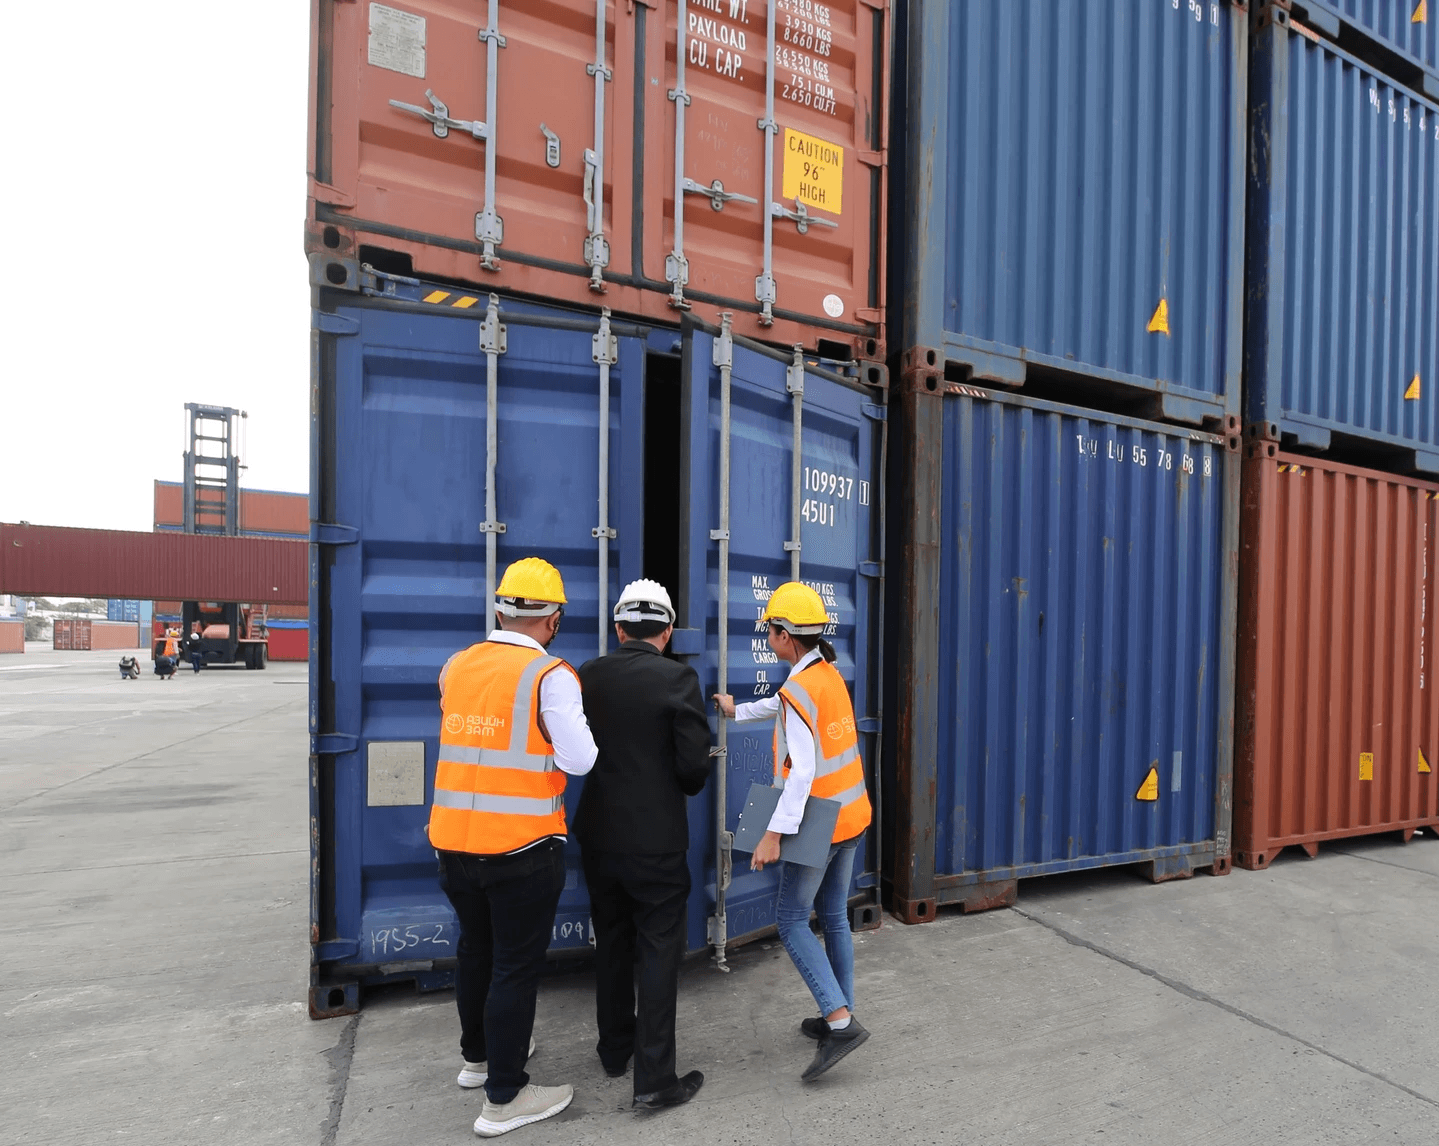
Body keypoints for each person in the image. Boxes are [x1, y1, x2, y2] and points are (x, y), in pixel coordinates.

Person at [429, 557, 598, 1138]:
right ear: (553, 620)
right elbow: (580, 760)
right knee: (514, 966)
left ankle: (478, 1060)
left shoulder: (457, 666)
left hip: (454, 844)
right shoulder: (550, 676)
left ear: (500, 609)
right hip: (522, 848)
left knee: (475, 949)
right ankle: (505, 1097)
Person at [713, 582, 873, 1082]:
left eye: (771, 631)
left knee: (790, 920)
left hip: (818, 824)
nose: (768, 638)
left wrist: (772, 835)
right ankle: (839, 1008)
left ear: (784, 637)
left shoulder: (800, 691)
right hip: (851, 816)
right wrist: (738, 709)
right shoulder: (826, 676)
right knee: (835, 918)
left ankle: (840, 1022)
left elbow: (801, 771)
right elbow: (786, 708)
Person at [574, 580, 710, 1111]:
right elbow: (694, 768)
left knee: (610, 938)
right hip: (656, 841)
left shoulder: (589, 675)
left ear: (619, 627)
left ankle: (614, 1050)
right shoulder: (679, 678)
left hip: (598, 836)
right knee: (657, 949)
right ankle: (655, 1078)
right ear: (669, 630)